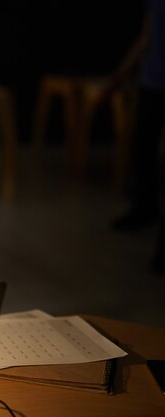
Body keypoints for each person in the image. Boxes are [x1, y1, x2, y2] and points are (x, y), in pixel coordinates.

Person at [105, 0, 165, 272]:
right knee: (143, 146)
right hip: (151, 81)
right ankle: (144, 207)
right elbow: (147, 35)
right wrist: (122, 72)